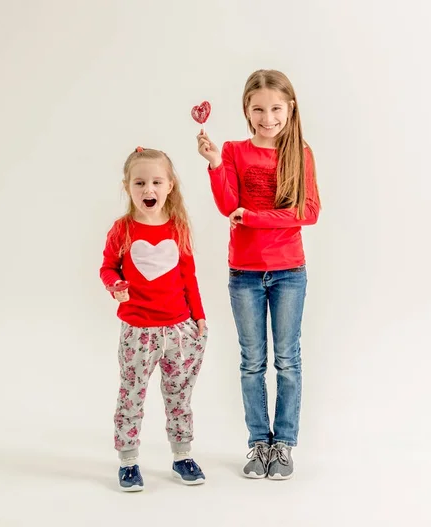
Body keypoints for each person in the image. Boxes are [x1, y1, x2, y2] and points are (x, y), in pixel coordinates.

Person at [196, 69, 321, 479]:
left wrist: (253, 217)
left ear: (291, 108)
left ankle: (283, 443)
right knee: (252, 362)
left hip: (289, 272)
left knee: (288, 360)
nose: (268, 118)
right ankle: (258, 443)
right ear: (246, 112)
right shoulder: (233, 150)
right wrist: (215, 165)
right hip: (245, 273)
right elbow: (226, 206)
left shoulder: (299, 153)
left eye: (276, 109)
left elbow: (308, 213)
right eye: (258, 109)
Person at [100, 146, 208, 491]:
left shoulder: (178, 228)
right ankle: (128, 460)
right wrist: (114, 284)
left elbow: (189, 276)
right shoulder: (122, 229)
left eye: (156, 182)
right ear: (127, 186)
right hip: (138, 331)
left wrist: (199, 317)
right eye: (140, 182)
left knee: (179, 395)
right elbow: (107, 267)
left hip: (179, 328)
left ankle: (182, 455)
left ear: (170, 185)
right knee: (132, 393)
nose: (149, 189)